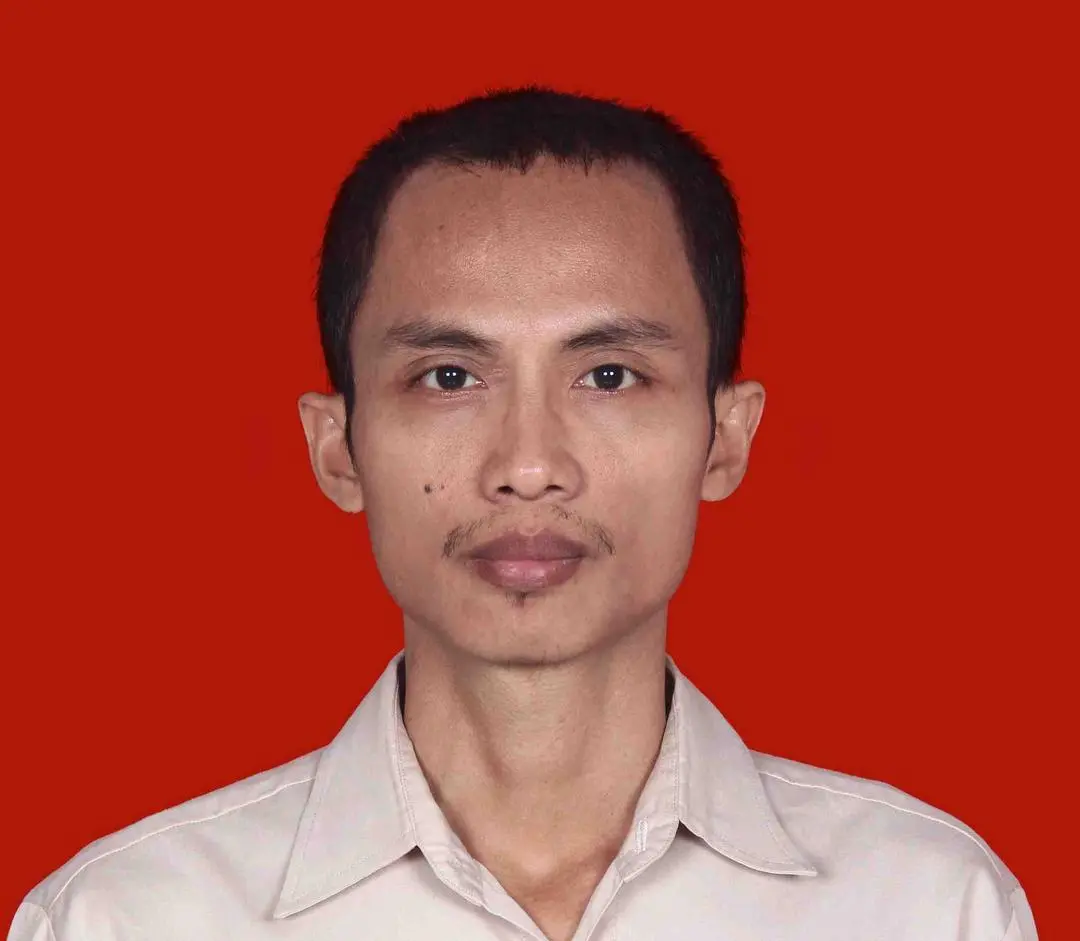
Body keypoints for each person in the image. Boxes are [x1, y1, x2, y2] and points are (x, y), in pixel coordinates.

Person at [8, 87, 1038, 941]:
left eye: (610, 374)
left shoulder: (928, 906)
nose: (531, 466)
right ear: (338, 447)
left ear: (726, 437)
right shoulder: (124, 918)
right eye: (449, 375)